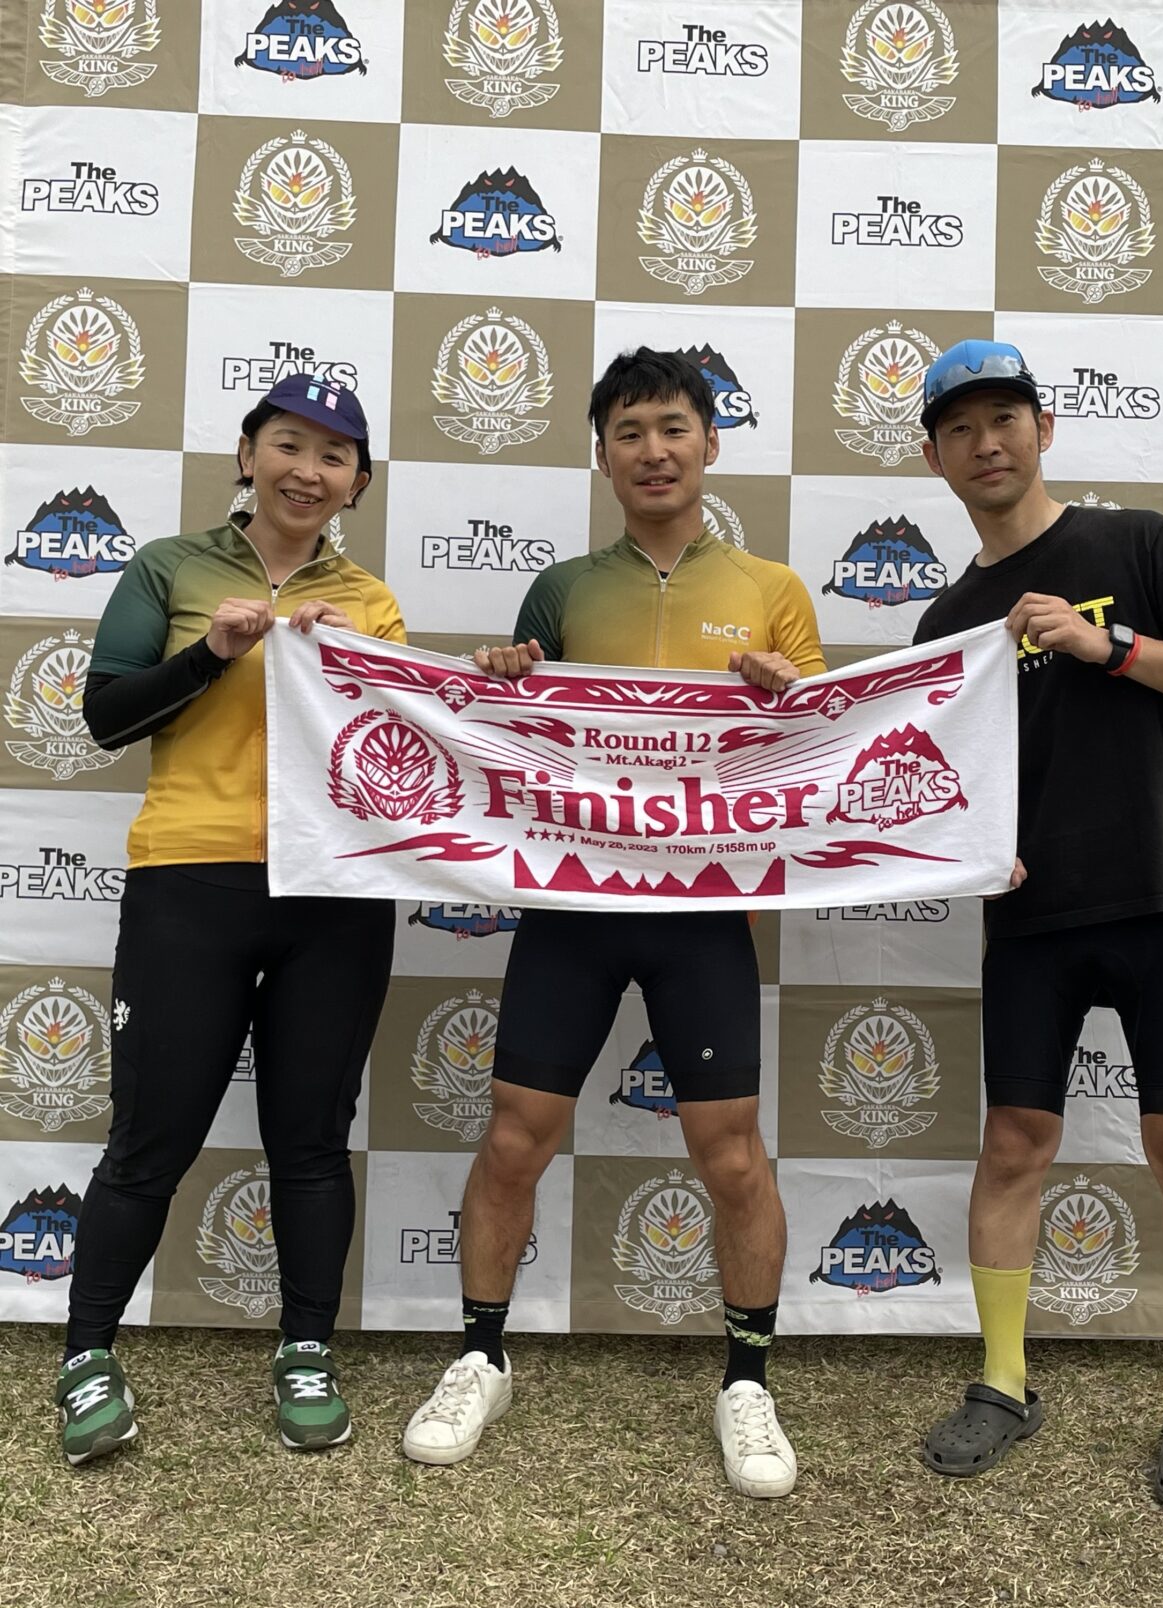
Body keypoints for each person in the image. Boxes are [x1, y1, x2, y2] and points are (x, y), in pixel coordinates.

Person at [402, 348, 824, 1498]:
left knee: (730, 1153)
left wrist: (784, 692)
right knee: (513, 1140)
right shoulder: (561, 587)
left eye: (673, 427)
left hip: (701, 913)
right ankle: (481, 1357)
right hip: (574, 905)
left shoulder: (774, 586)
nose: (653, 450)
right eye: (629, 431)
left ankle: (748, 1381)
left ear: (710, 443)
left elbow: (822, 752)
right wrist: (501, 675)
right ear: (602, 455)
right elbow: (515, 739)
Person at [909, 340, 1163, 1514]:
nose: (987, 443)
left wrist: (1107, 644)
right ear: (935, 456)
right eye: (961, 429)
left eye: (1005, 418)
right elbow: (933, 782)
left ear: (1044, 429)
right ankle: (1004, 1382)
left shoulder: (1137, 544)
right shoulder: (947, 622)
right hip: (1032, 915)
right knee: (1014, 1144)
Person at [56, 377, 406, 1464]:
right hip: (191, 879)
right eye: (289, 444)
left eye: (335, 456)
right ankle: (85, 1353)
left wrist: (367, 672)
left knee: (311, 1139)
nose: (310, 470)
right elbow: (106, 715)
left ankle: (306, 1348)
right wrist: (213, 652)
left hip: (334, 893)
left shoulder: (371, 598)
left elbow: (404, 760)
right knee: (147, 1141)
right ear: (249, 454)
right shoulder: (170, 566)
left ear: (357, 483)